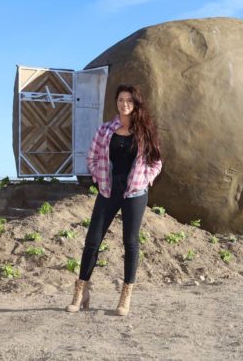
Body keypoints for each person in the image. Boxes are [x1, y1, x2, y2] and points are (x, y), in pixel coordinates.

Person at [66, 84, 162, 315]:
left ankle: (125, 296)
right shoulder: (105, 130)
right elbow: (92, 156)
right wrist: (98, 178)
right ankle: (81, 292)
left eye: (129, 100)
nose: (124, 104)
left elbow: (156, 162)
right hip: (108, 191)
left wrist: (145, 179)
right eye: (120, 100)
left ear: (135, 104)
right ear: (116, 102)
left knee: (130, 243)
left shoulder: (145, 132)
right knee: (92, 241)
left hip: (134, 194)